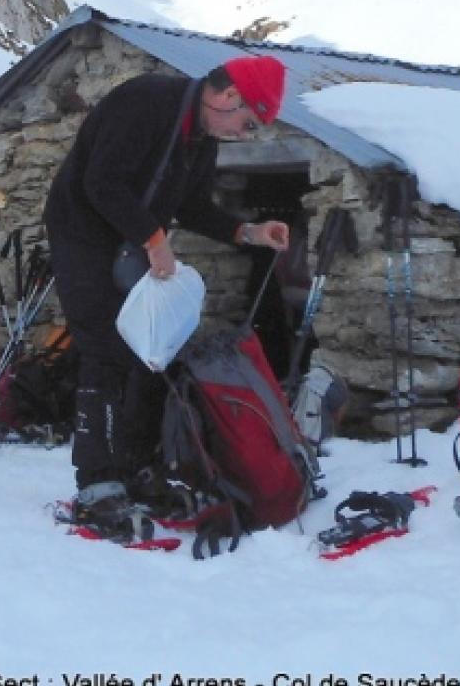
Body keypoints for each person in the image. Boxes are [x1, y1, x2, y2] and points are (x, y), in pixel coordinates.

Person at [42, 56, 292, 523]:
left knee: (149, 352)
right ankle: (97, 482)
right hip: (83, 236)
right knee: (104, 349)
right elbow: (102, 183)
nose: (244, 132)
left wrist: (248, 233)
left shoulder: (200, 137)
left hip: (129, 245)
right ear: (228, 96)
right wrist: (155, 240)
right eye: (248, 121)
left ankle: (136, 466)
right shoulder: (145, 102)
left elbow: (193, 206)